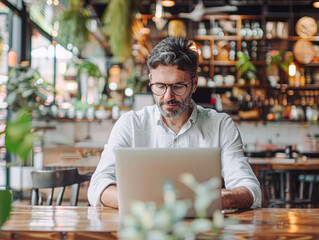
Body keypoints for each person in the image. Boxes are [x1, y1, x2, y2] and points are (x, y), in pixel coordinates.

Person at [88, 37, 262, 209]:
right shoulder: (130, 124)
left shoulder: (220, 125)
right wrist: (145, 204)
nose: (168, 96)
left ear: (194, 83)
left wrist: (220, 200)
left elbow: (250, 189)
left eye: (178, 86)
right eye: (160, 86)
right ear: (150, 81)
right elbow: (98, 186)